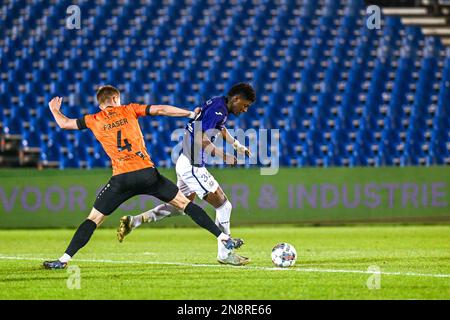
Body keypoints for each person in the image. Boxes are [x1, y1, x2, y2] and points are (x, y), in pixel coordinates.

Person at [43, 85, 244, 269]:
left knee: (93, 219)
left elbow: (64, 124)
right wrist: (190, 113)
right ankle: (222, 237)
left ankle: (63, 260)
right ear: (115, 98)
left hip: (121, 179)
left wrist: (54, 109)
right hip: (147, 174)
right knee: (185, 204)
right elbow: (161, 110)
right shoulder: (129, 109)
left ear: (100, 103)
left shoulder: (93, 119)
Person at [117, 82, 256, 266]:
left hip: (185, 162)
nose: (245, 110)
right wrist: (224, 156)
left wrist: (237, 145)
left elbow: (219, 128)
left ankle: (133, 221)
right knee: (224, 206)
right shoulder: (218, 109)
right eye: (245, 105)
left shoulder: (218, 104)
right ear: (236, 98)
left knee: (179, 206)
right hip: (192, 165)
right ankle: (225, 253)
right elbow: (200, 138)